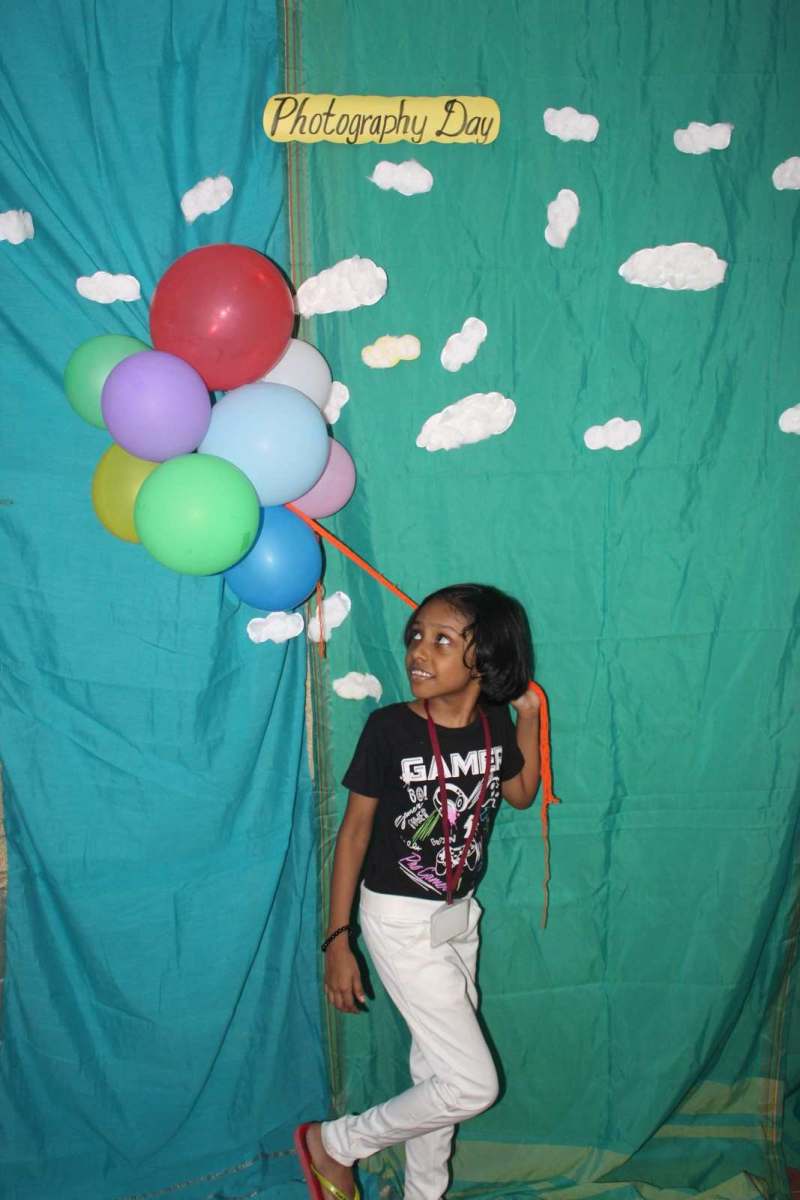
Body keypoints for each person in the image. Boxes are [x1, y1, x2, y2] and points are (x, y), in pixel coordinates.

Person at [295, 583, 541, 1200]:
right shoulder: (389, 730)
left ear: (485, 659)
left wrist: (529, 719)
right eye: (415, 636)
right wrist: (338, 939)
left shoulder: (494, 724)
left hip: (460, 916)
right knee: (472, 1084)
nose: (418, 652)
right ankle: (337, 1143)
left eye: (442, 640)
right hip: (400, 919)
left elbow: (520, 794)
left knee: (437, 1073)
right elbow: (354, 834)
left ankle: (424, 1193)